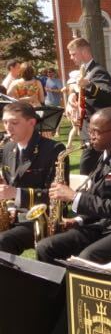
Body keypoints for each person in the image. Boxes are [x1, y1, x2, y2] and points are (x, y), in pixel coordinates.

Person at [37, 107, 111, 264]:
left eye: (96, 132)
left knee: (88, 258)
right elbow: (100, 197)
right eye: (89, 131)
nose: (91, 136)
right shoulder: (105, 155)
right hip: (104, 226)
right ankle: (61, 281)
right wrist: (78, 220)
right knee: (46, 247)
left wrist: (74, 197)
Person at [0, 102, 66, 255]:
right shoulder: (8, 148)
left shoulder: (54, 150)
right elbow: (10, 184)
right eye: (5, 122)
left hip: (42, 219)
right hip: (13, 215)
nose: (8, 128)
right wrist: (10, 206)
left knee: (2, 241)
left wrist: (16, 194)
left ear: (31, 122)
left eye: (14, 123)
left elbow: (57, 197)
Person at [66, 37, 111, 175]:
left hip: (97, 129)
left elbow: (108, 95)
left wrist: (89, 85)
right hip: (87, 129)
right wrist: (73, 96)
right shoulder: (85, 71)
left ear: (84, 52)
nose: (71, 58)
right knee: (94, 171)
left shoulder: (98, 71)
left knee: (85, 169)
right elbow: (84, 94)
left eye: (73, 54)